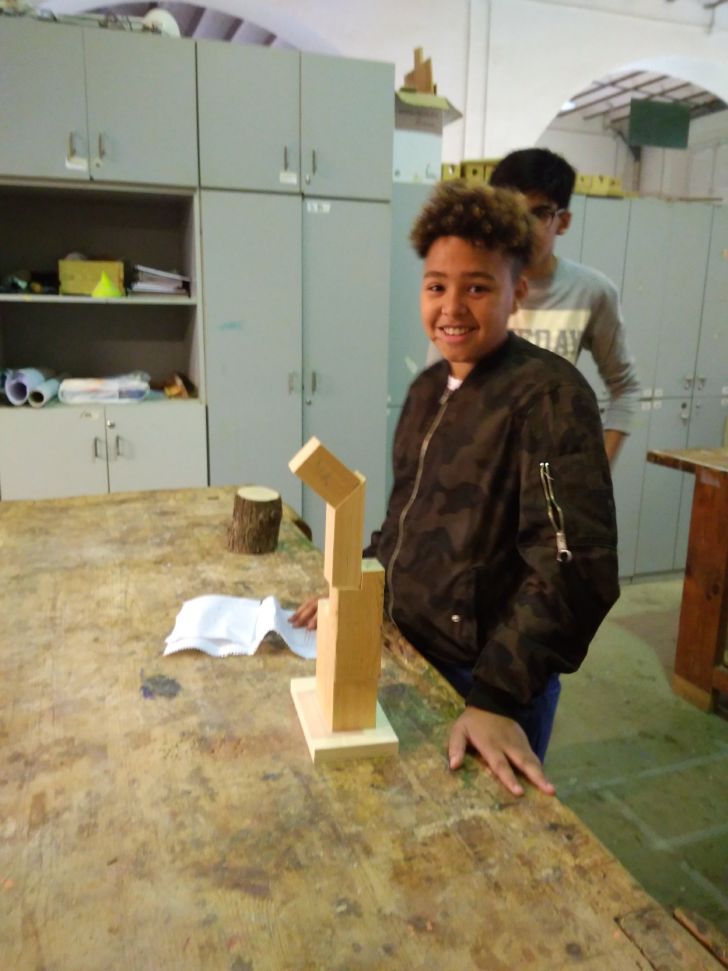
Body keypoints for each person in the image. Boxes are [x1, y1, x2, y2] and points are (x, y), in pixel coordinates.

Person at [292, 181, 620, 798]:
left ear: (517, 293)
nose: (452, 307)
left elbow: (575, 566)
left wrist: (497, 698)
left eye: (477, 287)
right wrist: (359, 585)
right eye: (437, 286)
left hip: (488, 683)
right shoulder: (427, 391)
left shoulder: (548, 399)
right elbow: (406, 519)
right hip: (408, 652)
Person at [427, 148, 640, 466]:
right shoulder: (467, 288)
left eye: (539, 214)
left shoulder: (592, 292)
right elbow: (436, 388)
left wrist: (597, 474)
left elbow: (625, 388)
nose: (523, 226)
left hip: (549, 476)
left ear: (563, 221)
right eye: (511, 211)